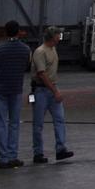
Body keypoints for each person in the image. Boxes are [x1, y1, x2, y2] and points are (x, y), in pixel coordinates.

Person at [0, 20, 31, 170]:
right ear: (18, 31)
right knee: (14, 123)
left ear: (5, 32)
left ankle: (3, 158)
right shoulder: (25, 49)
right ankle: (13, 155)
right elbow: (26, 66)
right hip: (16, 88)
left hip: (0, 89)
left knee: (0, 123)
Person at [31, 25, 73, 164]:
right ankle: (38, 153)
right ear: (52, 37)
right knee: (38, 123)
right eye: (57, 36)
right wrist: (55, 91)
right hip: (41, 90)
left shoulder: (52, 49)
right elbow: (41, 74)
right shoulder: (40, 52)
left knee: (59, 119)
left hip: (51, 87)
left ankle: (60, 148)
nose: (59, 38)